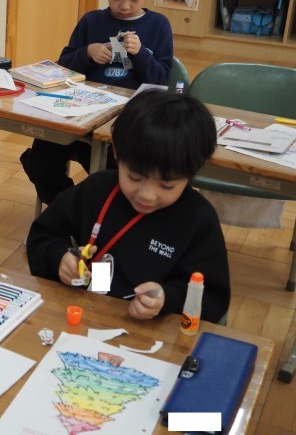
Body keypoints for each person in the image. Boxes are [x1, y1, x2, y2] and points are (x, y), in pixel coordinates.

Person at [26, 90, 230, 324]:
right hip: (82, 318)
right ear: (116, 151)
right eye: (134, 177)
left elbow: (213, 298)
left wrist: (167, 297)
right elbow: (42, 236)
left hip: (149, 333)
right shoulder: (96, 190)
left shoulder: (198, 219)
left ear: (194, 171)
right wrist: (59, 258)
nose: (147, 195)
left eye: (166, 185)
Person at [20, 0, 173, 205]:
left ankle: (94, 210)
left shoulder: (158, 26)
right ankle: (67, 207)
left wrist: (141, 55)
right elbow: (62, 67)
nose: (124, 6)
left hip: (122, 127)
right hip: (76, 116)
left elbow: (161, 81)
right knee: (40, 160)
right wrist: (87, 53)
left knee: (116, 177)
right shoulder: (92, 21)